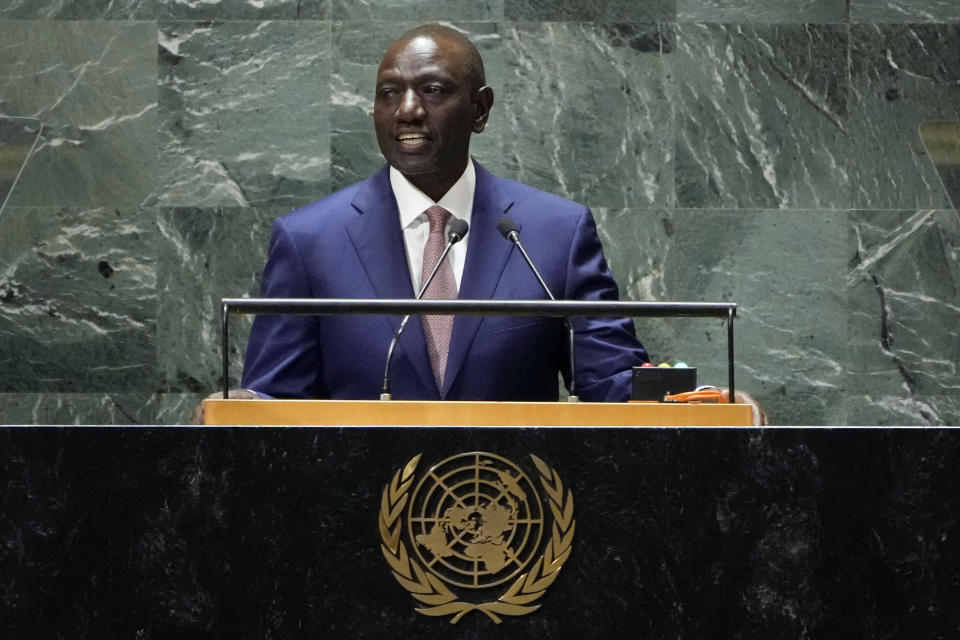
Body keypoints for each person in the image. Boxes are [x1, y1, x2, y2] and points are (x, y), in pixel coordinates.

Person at [212, 24, 648, 411]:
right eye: (389, 93)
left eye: (433, 90)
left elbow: (612, 382)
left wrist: (690, 401)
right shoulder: (309, 240)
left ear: (480, 110)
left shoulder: (554, 233)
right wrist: (247, 405)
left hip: (514, 495)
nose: (407, 110)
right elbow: (275, 403)